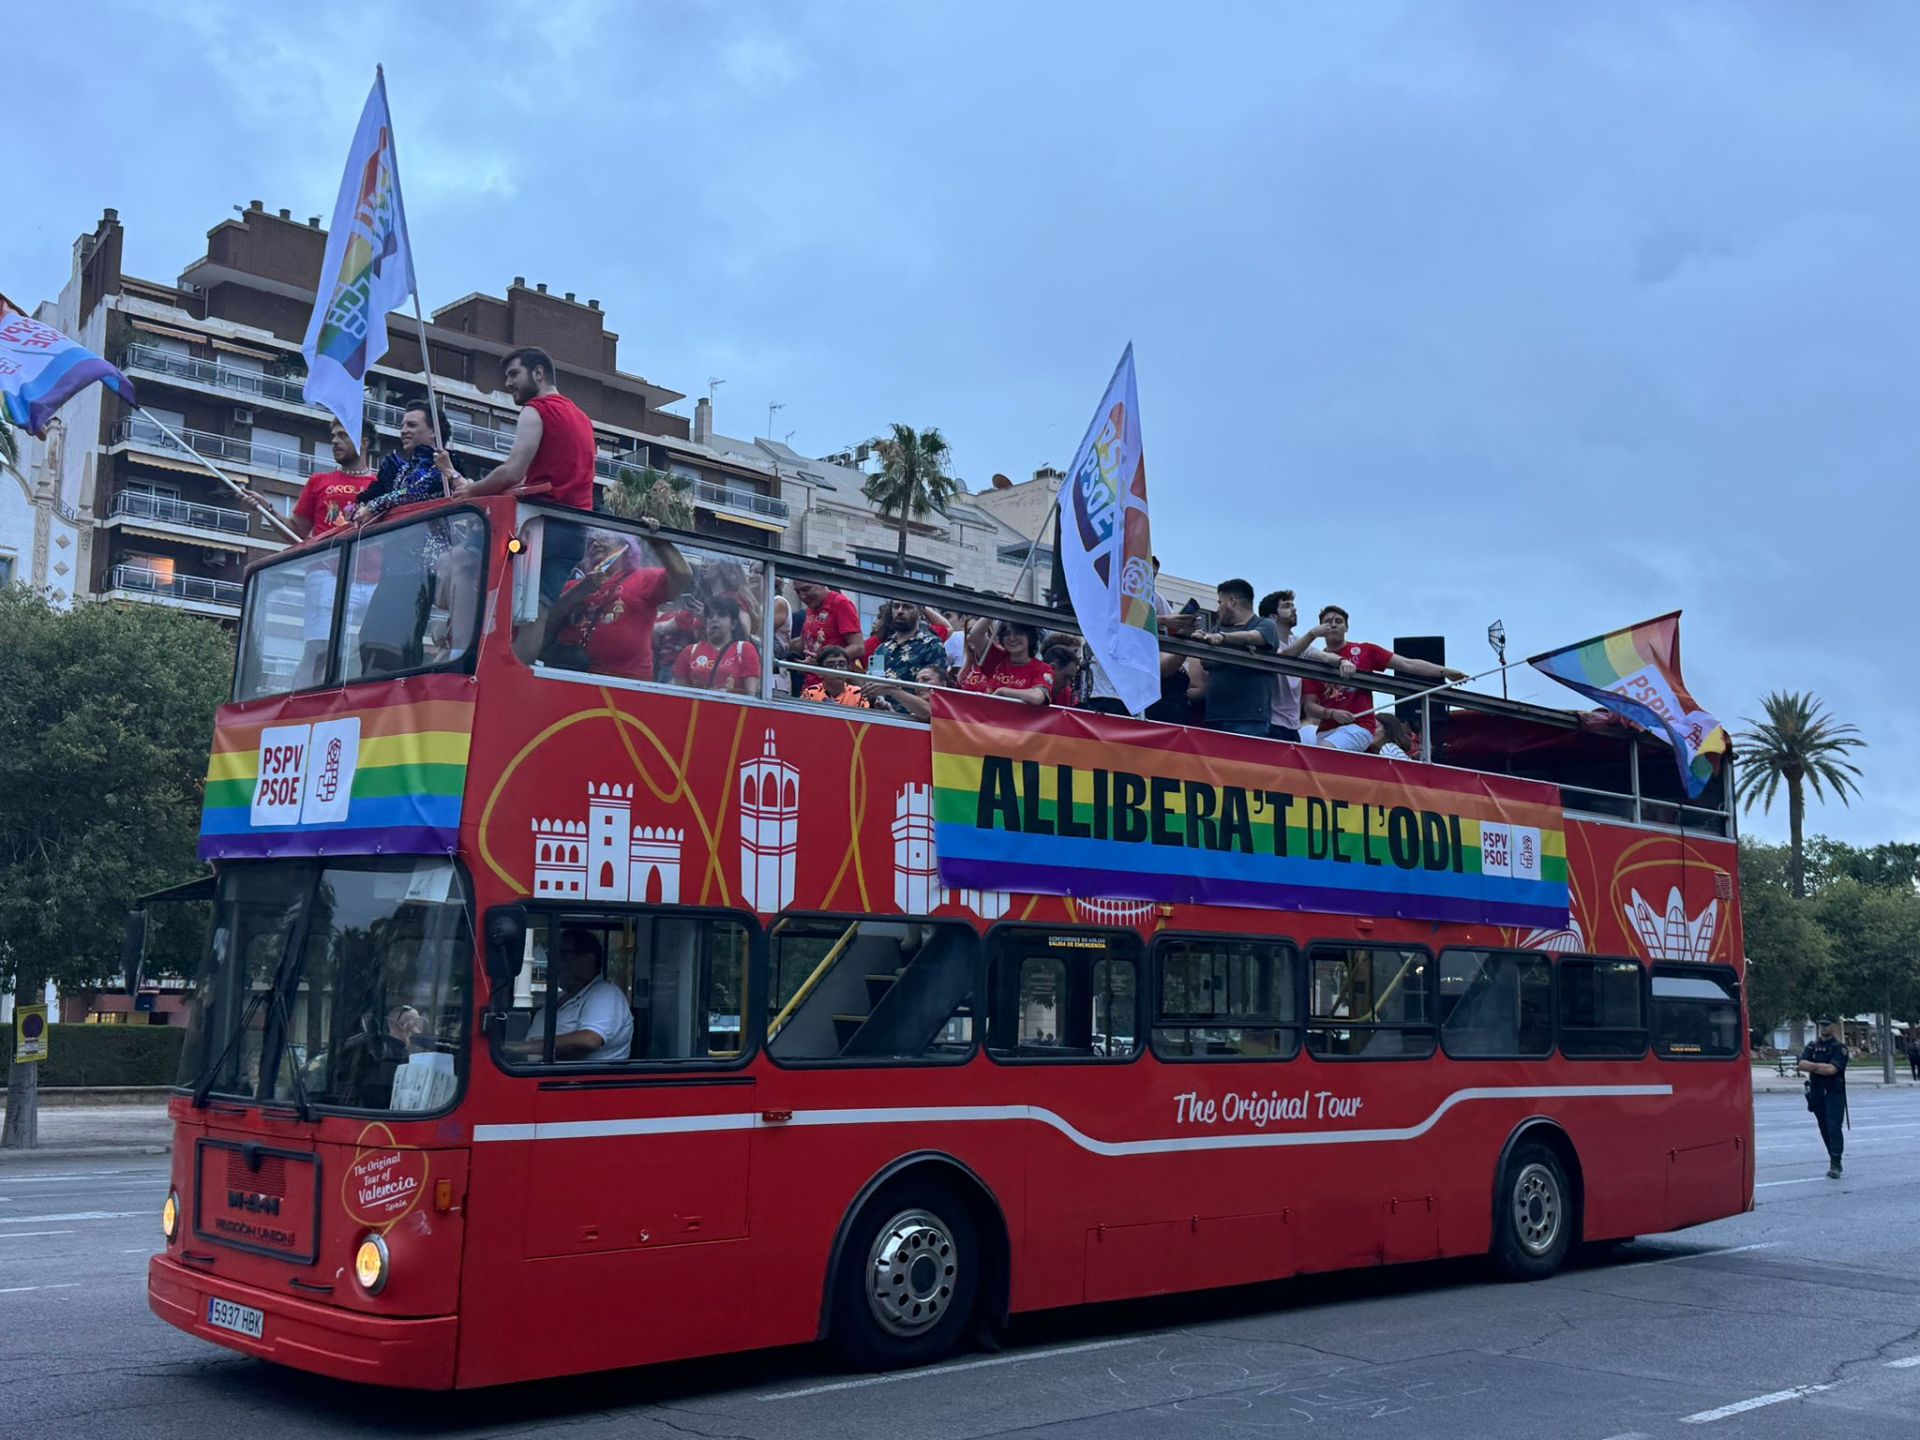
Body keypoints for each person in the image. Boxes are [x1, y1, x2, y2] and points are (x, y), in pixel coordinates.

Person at [459, 347, 598, 612]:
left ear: (538, 373)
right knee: (538, 611)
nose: (508, 383)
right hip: (575, 532)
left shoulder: (537, 409)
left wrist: (471, 491)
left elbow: (513, 470)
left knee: (462, 560)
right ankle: (521, 656)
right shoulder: (582, 418)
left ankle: (462, 645)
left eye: (514, 374)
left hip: (539, 526)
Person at [1302, 605, 1467, 751]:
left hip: (1358, 726)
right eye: (1328, 621)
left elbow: (1407, 664)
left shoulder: (1365, 651)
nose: (1333, 624)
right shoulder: (1315, 660)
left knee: (1322, 752)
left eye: (1339, 621)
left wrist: (1445, 672)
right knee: (1297, 742)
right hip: (1325, 729)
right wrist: (1331, 714)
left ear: (1346, 627)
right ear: (1320, 628)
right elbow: (1310, 705)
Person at [538, 527, 692, 679]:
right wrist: (580, 590)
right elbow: (544, 623)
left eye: (605, 537)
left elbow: (682, 575)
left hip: (624, 680)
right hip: (570, 674)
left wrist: (655, 539)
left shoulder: (643, 578)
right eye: (591, 542)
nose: (596, 543)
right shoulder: (574, 585)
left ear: (626, 547)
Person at [523, 929, 632, 1062]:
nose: (555, 963)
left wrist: (525, 1048)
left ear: (588, 959)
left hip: (579, 1080)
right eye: (551, 955)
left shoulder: (605, 993)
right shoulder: (562, 996)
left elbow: (589, 1040)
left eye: (562, 955)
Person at [291, 420, 376, 540]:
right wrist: (268, 509)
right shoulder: (318, 481)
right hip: (326, 556)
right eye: (334, 436)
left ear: (363, 442)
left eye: (342, 435)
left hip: (364, 556)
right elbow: (296, 530)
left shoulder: (381, 485)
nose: (334, 441)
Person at [671, 594, 761, 695]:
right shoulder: (689, 652)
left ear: (733, 624)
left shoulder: (745, 649)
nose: (714, 619)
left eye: (721, 615)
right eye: (710, 616)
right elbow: (679, 694)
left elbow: (751, 695)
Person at [1797, 1015, 1849, 1178]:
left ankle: (1836, 1163)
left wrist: (1813, 1067)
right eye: (1821, 1025)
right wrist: (1821, 1067)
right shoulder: (1812, 1046)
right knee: (1824, 1127)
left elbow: (1832, 1070)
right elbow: (1801, 1064)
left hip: (1834, 1092)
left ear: (1833, 1027)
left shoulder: (1839, 1048)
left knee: (1834, 1127)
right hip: (1817, 1091)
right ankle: (1832, 1156)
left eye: (1827, 1025)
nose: (1824, 1028)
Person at [962, 619, 1054, 705]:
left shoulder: (1043, 669)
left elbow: (1037, 697)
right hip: (986, 719)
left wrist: (1003, 691)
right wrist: (997, 606)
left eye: (1018, 633)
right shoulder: (996, 658)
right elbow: (975, 634)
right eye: (1007, 634)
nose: (1012, 638)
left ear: (1030, 637)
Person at [799, 645, 870, 707]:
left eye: (842, 664)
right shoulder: (810, 692)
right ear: (819, 673)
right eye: (831, 665)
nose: (837, 669)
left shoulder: (858, 693)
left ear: (848, 669)